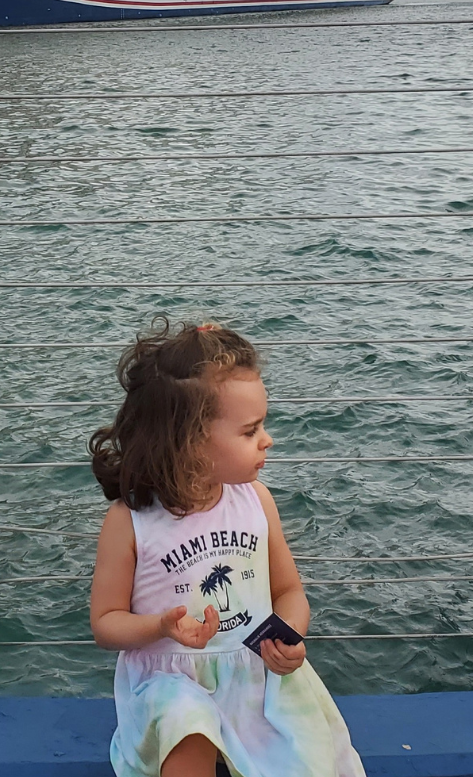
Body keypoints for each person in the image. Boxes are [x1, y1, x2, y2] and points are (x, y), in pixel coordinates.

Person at [89, 320, 364, 777]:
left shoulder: (257, 502)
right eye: (250, 431)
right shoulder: (130, 520)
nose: (267, 439)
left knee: (306, 761)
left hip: (253, 675)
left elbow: (289, 592)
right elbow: (105, 623)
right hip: (170, 681)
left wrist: (289, 637)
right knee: (186, 725)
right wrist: (160, 626)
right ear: (191, 442)